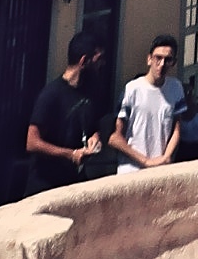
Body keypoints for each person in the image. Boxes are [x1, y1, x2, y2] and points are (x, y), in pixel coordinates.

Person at [24, 32, 107, 191]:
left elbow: (92, 127)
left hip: (74, 182)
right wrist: (70, 154)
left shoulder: (91, 91)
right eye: (98, 59)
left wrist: (95, 138)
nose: (102, 64)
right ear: (84, 61)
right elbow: (32, 142)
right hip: (45, 185)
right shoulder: (51, 94)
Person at [109, 33, 183, 172]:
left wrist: (166, 158)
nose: (162, 64)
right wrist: (146, 161)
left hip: (160, 169)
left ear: (173, 62)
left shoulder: (176, 88)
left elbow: (177, 129)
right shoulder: (132, 89)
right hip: (131, 169)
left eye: (168, 60)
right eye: (158, 58)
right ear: (149, 59)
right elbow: (115, 138)